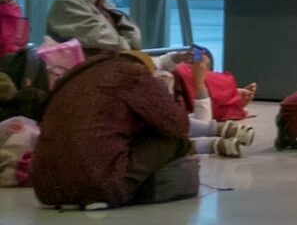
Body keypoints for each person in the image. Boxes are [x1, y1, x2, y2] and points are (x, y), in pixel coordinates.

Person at [29, 50, 197, 208]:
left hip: (46, 188)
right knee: (176, 141)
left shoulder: (75, 76)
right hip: (98, 185)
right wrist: (163, 93)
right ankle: (117, 192)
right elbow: (179, 125)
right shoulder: (134, 74)